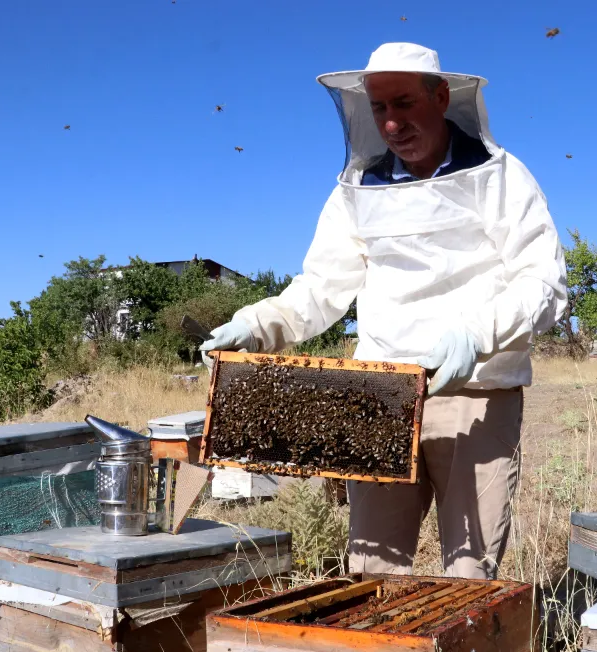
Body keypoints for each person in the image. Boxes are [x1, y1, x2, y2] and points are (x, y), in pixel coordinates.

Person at [201, 42, 567, 579]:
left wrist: (476, 333)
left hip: (476, 391)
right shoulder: (356, 188)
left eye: (404, 103)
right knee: (372, 570)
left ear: (441, 97)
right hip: (381, 395)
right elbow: (322, 286)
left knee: (469, 575)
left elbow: (545, 283)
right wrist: (257, 325)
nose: (392, 123)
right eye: (379, 108)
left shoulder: (502, 177)